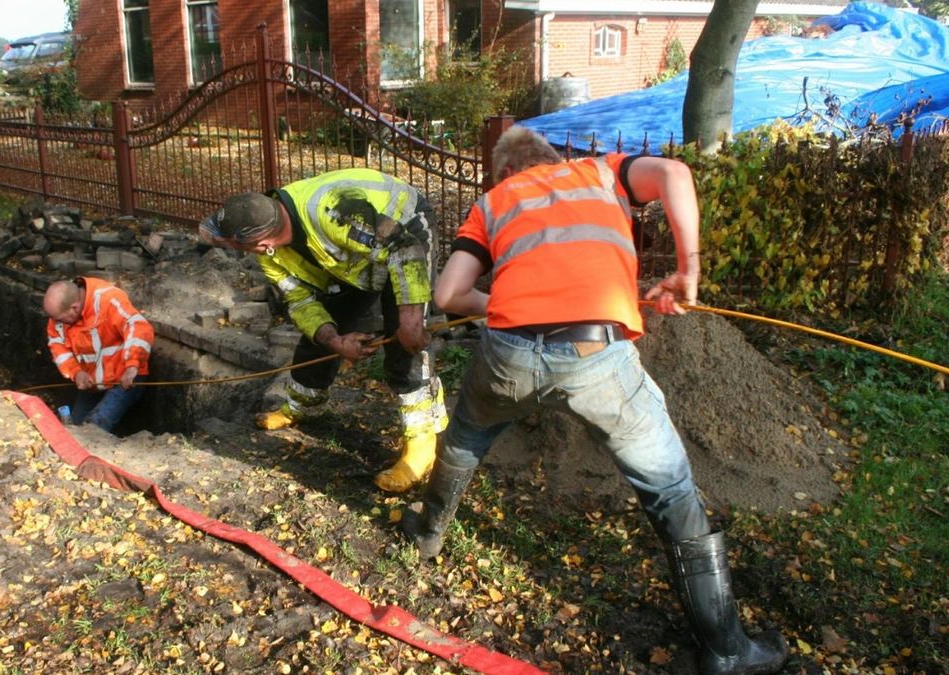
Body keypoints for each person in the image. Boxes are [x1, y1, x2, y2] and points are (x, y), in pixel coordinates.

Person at [402, 126, 787, 675]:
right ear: (554, 158)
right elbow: (676, 173)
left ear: (504, 174)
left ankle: (427, 533)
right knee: (669, 487)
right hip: (595, 356)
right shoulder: (601, 172)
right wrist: (688, 268)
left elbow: (447, 296)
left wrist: (514, 305)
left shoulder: (491, 203)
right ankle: (727, 650)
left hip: (506, 354)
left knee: (465, 437)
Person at [200, 168, 447, 493]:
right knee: (317, 338)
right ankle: (303, 406)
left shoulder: (334, 211)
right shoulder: (271, 253)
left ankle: (421, 444)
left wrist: (411, 317)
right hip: (352, 258)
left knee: (405, 347)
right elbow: (300, 301)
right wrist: (335, 339)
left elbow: (404, 249)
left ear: (259, 243)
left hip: (405, 232)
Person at [43, 276, 155, 433]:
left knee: (94, 429)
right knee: (74, 429)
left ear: (74, 308)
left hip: (125, 378)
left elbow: (138, 327)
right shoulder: (58, 316)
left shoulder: (108, 299)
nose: (56, 323)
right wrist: (76, 373)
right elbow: (58, 348)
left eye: (61, 319)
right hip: (93, 382)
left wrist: (132, 365)